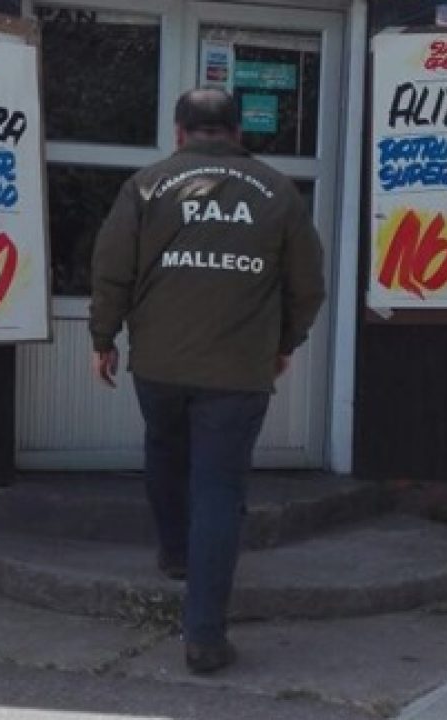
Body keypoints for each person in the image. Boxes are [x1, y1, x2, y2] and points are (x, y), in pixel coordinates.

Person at [88, 88, 325, 674]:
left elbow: (112, 269)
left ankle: (175, 553)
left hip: (159, 365)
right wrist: (283, 344)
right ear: (238, 131)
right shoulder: (278, 192)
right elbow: (307, 286)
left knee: (165, 453)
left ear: (178, 131)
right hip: (239, 370)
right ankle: (204, 638)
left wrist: (103, 337)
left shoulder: (146, 185)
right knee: (219, 490)